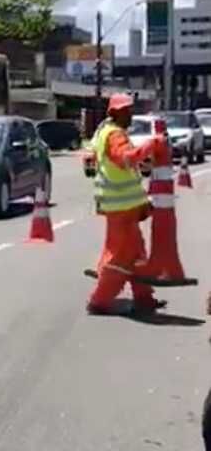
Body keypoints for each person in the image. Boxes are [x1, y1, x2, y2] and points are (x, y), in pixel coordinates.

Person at [85, 93, 166, 315]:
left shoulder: (106, 131)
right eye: (127, 111)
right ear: (117, 113)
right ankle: (99, 301)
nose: (130, 115)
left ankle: (144, 299)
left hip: (122, 208)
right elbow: (126, 158)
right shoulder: (114, 135)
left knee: (137, 253)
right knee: (120, 256)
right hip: (120, 208)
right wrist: (153, 144)